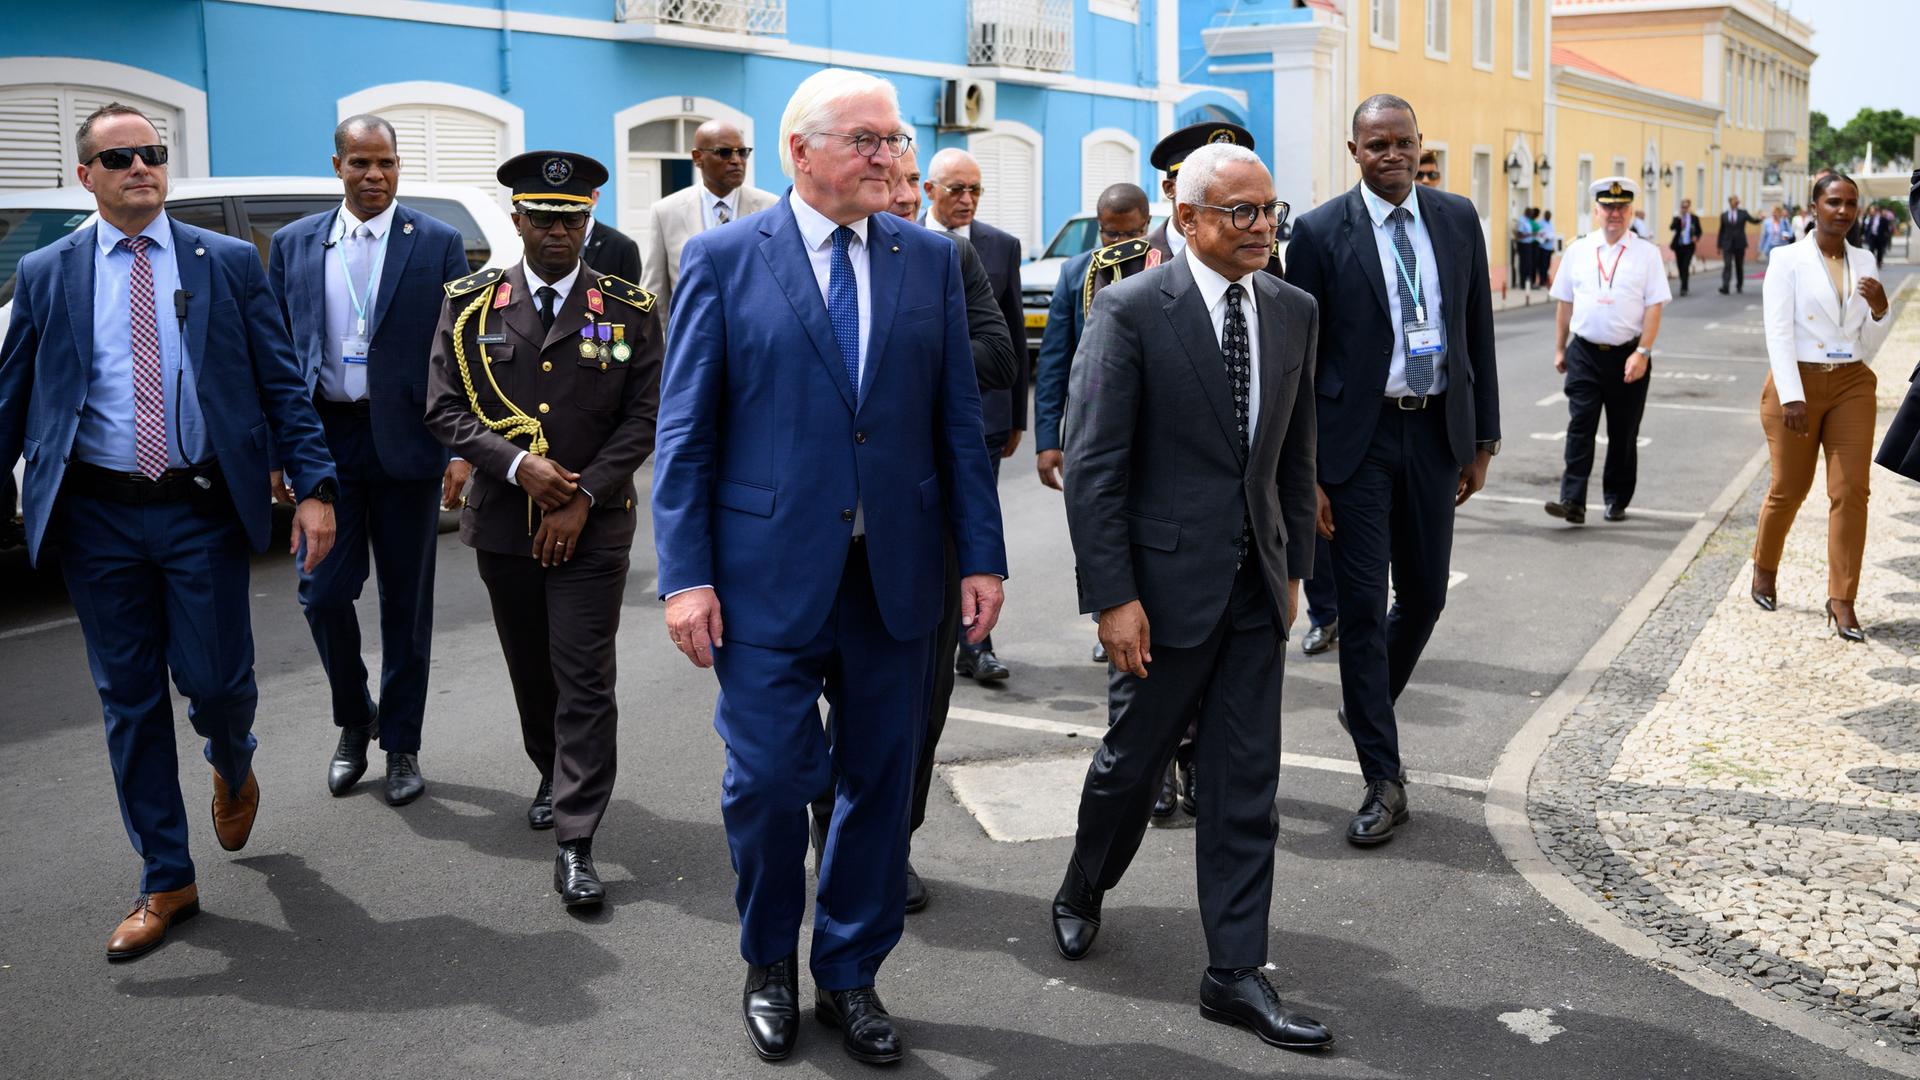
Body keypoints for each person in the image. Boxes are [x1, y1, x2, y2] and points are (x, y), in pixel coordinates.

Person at [652, 69, 1006, 1065]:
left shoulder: (926, 260)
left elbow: (955, 432)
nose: (891, 159)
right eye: (870, 141)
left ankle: (850, 972)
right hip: (763, 575)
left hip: (897, 574)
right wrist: (686, 576)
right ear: (800, 152)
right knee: (767, 779)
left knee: (880, 781)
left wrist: (981, 555)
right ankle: (770, 960)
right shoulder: (724, 260)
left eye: (896, 142)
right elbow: (685, 437)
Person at [0, 102, 338, 960]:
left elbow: (278, 378)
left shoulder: (223, 261)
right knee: (130, 702)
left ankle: (232, 756)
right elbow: (11, 400)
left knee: (218, 684)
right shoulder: (48, 272)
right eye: (119, 159)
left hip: (197, 507)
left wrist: (313, 486)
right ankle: (166, 878)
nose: (140, 167)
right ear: (87, 177)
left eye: (152, 153)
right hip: (96, 514)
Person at [1050, 140, 1332, 1053]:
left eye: (1269, 212)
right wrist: (1113, 599)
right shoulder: (1132, 310)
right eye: (1240, 213)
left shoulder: (1293, 310)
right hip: (1159, 596)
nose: (1261, 228)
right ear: (1190, 218)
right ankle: (1085, 882)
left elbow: (1294, 450)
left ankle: (1234, 973)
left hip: (1254, 587)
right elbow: (1094, 466)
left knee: (1246, 782)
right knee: (1130, 765)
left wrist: (1291, 571)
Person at [423, 150, 663, 909]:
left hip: (595, 525)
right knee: (534, 671)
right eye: (544, 217)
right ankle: (550, 768)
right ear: (518, 220)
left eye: (574, 218)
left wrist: (582, 493)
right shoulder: (469, 304)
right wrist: (517, 466)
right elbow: (443, 407)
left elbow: (646, 416)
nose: (559, 230)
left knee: (585, 676)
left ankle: (576, 835)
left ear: (588, 222)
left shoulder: (627, 307)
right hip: (503, 522)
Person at [1283, 94, 1501, 846]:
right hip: (1358, 441)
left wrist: (1484, 438)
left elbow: (1477, 330)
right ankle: (1384, 776)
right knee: (1363, 611)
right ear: (1355, 151)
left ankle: (1366, 700)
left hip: (1437, 433)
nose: (1393, 155)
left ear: (1418, 144)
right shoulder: (1316, 233)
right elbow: (1299, 360)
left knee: (1429, 596)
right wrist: (1303, 469)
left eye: (1404, 142)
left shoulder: (1456, 217)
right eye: (1377, 145)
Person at [811, 132, 1017, 915]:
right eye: (891, 182)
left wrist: (905, 355)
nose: (899, 196)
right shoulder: (820, 259)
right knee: (811, 707)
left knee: (915, 709)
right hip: (824, 522)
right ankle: (831, 830)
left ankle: (891, 842)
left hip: (922, 521)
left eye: (906, 184)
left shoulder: (944, 263)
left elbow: (999, 356)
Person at [266, 114, 471, 806]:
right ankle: (355, 719)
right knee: (321, 592)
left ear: (397, 167)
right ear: (337, 166)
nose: (373, 176)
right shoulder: (295, 243)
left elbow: (461, 354)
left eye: (385, 164)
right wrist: (279, 449)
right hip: (323, 443)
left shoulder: (436, 243)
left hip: (409, 443)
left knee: (405, 607)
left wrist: (461, 449)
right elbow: (276, 358)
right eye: (360, 164)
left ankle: (402, 743)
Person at [1753, 171, 1889, 643]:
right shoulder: (1786, 259)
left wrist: (1879, 310)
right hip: (1799, 383)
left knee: (1852, 491)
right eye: (1834, 202)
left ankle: (1842, 600)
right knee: (1789, 488)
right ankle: (1765, 567)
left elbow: (1867, 345)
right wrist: (1791, 394)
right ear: (1814, 207)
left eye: (1851, 204)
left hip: (1852, 381)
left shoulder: (1866, 258)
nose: (1844, 211)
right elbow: (1778, 332)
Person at [1032, 181, 1152, 664]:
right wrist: (1048, 440)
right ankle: (1110, 615)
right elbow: (1053, 363)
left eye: (1131, 234)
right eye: (1109, 235)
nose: (1119, 246)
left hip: (1153, 434)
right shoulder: (1074, 273)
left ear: (1147, 226)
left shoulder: (1167, 270)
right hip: (1093, 434)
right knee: (1097, 528)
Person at [921, 146, 1023, 684]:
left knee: (971, 529)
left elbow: (1008, 339)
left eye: (975, 190)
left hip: (984, 416)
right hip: (913, 426)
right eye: (956, 189)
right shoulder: (900, 237)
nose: (967, 199)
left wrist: (1019, 418)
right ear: (928, 191)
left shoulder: (999, 246)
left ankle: (975, 642)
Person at [1544, 178, 1669, 526]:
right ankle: (1572, 500)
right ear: (1596, 210)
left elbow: (1654, 307)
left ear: (1630, 210)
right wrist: (1559, 348)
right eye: (1608, 207)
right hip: (1584, 352)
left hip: (1627, 354)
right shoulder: (1579, 250)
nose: (1615, 214)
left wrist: (1642, 352)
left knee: (1623, 431)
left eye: (1622, 207)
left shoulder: (1647, 253)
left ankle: (1616, 499)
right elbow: (1565, 302)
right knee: (1580, 425)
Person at [639, 119, 779, 322]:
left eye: (742, 152)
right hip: (694, 340)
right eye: (724, 152)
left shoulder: (770, 208)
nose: (736, 160)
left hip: (754, 339)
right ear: (697, 158)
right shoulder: (666, 212)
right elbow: (655, 292)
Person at [1718, 195, 1756, 293]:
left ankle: (1739, 285)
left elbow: (1753, 220)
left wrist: (1760, 218)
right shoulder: (1724, 215)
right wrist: (1719, 245)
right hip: (1727, 244)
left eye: (1737, 201)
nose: (1736, 202)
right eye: (1734, 201)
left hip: (1739, 244)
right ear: (1730, 202)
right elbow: (1721, 231)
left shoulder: (1743, 213)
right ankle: (1725, 286)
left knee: (1739, 265)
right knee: (1727, 265)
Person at [1670, 197, 1702, 296]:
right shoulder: (1677, 218)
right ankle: (1683, 282)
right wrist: (1678, 218)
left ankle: (1684, 287)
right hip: (1679, 246)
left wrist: (1696, 237)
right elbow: (1671, 228)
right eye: (1682, 207)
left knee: (1685, 266)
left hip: (1689, 245)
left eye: (1686, 207)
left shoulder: (1694, 218)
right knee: (1680, 266)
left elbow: (1699, 231)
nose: (1684, 209)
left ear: (1689, 207)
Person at [1535, 210, 1558, 289]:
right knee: (1542, 265)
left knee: (1547, 265)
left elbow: (1552, 235)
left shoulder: (1550, 224)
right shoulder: (1541, 223)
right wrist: (1544, 238)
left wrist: (1553, 247)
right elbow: (1539, 234)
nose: (1549, 217)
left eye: (1550, 215)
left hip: (1549, 248)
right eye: (1547, 215)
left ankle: (1544, 280)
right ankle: (1542, 281)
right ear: (1545, 216)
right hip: (1543, 247)